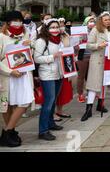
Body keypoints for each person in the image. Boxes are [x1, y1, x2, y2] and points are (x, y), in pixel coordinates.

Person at [0, 11, 34, 147]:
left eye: (19, 20)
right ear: (8, 23)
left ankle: (7, 131)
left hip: (23, 75)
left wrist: (29, 45)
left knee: (24, 102)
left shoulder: (25, 35)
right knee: (7, 104)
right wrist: (10, 71)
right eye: (14, 20)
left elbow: (28, 56)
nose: (18, 23)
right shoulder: (1, 37)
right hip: (7, 76)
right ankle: (11, 132)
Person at [34, 19, 70, 140]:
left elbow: (66, 52)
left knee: (53, 100)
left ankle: (50, 123)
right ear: (46, 28)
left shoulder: (59, 40)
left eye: (57, 27)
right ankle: (43, 130)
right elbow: (37, 58)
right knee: (48, 102)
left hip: (59, 73)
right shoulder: (41, 41)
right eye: (52, 27)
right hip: (47, 74)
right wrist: (52, 57)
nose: (55, 29)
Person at [81, 12, 110, 121]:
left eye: (109, 20)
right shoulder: (95, 30)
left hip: (108, 60)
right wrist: (99, 45)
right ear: (101, 20)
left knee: (104, 83)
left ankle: (100, 104)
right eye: (106, 20)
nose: (108, 21)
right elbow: (88, 45)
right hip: (97, 60)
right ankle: (88, 109)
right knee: (94, 84)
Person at [55, 21, 75, 121]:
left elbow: (70, 49)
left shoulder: (66, 35)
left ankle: (60, 110)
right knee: (54, 92)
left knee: (64, 90)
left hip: (66, 65)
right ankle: (53, 113)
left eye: (61, 26)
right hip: (55, 67)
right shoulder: (50, 38)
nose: (60, 28)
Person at [76, 16, 96, 103]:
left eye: (93, 21)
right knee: (81, 76)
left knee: (90, 76)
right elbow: (75, 44)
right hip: (82, 56)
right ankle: (80, 94)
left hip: (93, 56)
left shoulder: (96, 31)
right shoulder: (81, 32)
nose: (92, 23)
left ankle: (90, 93)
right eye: (90, 21)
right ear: (86, 23)